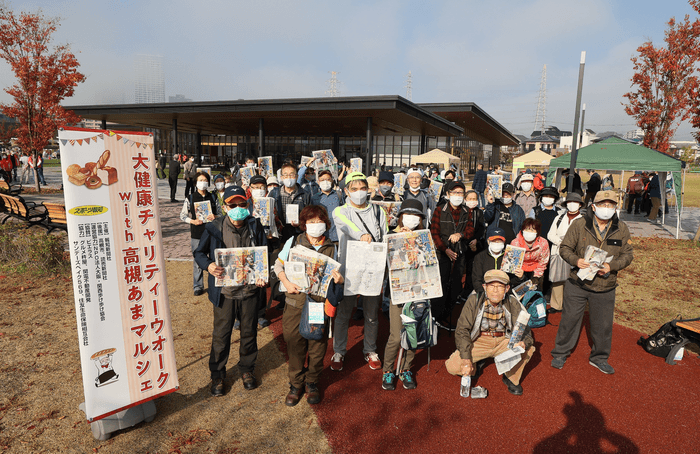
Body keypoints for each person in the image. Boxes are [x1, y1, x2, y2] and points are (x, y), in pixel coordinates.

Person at [194, 186, 268, 396]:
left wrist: (262, 274)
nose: (238, 208)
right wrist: (208, 265)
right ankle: (217, 375)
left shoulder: (255, 225)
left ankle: (247, 369)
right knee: (221, 334)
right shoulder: (214, 227)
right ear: (225, 206)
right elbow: (199, 253)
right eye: (232, 205)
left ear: (248, 204)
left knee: (249, 332)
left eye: (242, 204)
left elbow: (263, 253)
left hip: (250, 290)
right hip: (225, 293)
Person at [551, 190, 634, 375]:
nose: (607, 208)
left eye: (611, 205)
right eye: (603, 204)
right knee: (569, 320)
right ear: (593, 206)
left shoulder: (622, 228)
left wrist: (611, 266)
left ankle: (599, 358)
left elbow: (628, 255)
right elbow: (565, 248)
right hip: (577, 283)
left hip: (605, 285)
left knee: (603, 325)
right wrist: (576, 261)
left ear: (615, 208)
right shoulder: (579, 224)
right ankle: (560, 353)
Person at [275, 205, 344, 406]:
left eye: (319, 221)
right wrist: (286, 282)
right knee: (294, 343)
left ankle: (312, 381)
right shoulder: (294, 241)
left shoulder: (332, 246)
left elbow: (335, 276)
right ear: (304, 224)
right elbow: (279, 265)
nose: (315, 226)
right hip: (295, 302)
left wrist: (338, 280)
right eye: (311, 222)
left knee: (317, 345)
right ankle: (296, 384)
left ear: (326, 224)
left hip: (318, 304)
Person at [331, 171, 388, 372]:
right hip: (348, 270)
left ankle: (370, 349)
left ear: (368, 190)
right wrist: (361, 234)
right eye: (354, 189)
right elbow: (347, 227)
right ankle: (339, 351)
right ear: (346, 191)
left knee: (372, 314)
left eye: (363, 188)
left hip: (372, 269)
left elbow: (385, 236)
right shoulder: (340, 211)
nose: (359, 192)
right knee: (344, 313)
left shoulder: (379, 211)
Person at [446, 269, 536, 396]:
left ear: (507, 288)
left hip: (503, 340)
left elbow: (525, 329)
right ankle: (474, 366)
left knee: (528, 349)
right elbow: (462, 330)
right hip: (480, 340)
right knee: (453, 366)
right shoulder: (474, 300)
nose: (495, 290)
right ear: (484, 287)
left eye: (500, 286)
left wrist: (523, 343)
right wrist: (466, 359)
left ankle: (510, 376)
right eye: (491, 286)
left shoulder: (512, 301)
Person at [381, 199, 426, 391]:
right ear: (400, 217)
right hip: (397, 293)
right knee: (395, 336)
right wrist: (395, 239)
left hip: (417, 293)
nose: (412, 219)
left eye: (416, 216)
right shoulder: (390, 235)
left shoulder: (424, 237)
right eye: (408, 215)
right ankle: (388, 371)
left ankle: (406, 368)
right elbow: (381, 262)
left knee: (412, 334)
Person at [430, 180, 475, 328]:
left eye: (460, 193)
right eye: (454, 193)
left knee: (455, 286)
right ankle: (435, 317)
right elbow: (434, 233)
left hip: (459, 252)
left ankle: (447, 314)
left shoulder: (466, 211)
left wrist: (460, 235)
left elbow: (470, 230)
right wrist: (445, 249)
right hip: (443, 252)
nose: (457, 195)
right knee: (441, 284)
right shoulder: (439, 209)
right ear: (448, 194)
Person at [180, 171, 220, 296]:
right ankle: (198, 286)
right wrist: (192, 221)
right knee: (198, 260)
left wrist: (216, 216)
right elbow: (182, 215)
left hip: (212, 233)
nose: (203, 182)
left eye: (205, 180)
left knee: (214, 259)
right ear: (196, 183)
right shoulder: (190, 198)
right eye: (200, 180)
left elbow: (221, 213)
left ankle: (216, 284)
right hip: (197, 234)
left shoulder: (213, 197)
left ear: (208, 182)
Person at [547, 192, 584, 313]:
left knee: (572, 280)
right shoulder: (559, 218)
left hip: (574, 254)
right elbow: (550, 234)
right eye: (570, 202)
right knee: (557, 279)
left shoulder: (583, 220)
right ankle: (556, 305)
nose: (572, 204)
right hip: (558, 252)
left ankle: (569, 304)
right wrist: (561, 242)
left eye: (575, 202)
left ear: (580, 205)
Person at [268, 163, 311, 243]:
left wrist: (300, 223)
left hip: (298, 236)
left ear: (297, 176)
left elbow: (309, 216)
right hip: (279, 236)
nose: (289, 178)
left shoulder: (305, 195)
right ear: (281, 177)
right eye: (286, 175)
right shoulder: (274, 194)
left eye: (292, 175)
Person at [459, 189, 487, 299]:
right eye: (470, 199)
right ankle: (458, 293)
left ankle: (468, 292)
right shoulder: (461, 211)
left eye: (474, 199)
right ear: (465, 199)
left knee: (472, 269)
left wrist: (476, 240)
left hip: (475, 245)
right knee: (460, 270)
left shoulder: (479, 212)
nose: (472, 201)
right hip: (462, 244)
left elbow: (481, 228)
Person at [510, 218, 550, 290]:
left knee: (534, 293)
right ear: (522, 230)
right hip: (520, 269)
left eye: (532, 230)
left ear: (537, 231)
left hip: (536, 270)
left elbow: (543, 261)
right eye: (527, 229)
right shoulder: (515, 243)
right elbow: (513, 261)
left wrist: (536, 276)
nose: (529, 232)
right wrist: (519, 274)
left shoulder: (543, 243)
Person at [311, 170, 344, 243]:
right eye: (322, 180)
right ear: (318, 182)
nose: (325, 182)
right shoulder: (314, 198)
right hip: (320, 237)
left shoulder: (339, 195)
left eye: (328, 179)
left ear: (332, 181)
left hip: (337, 236)